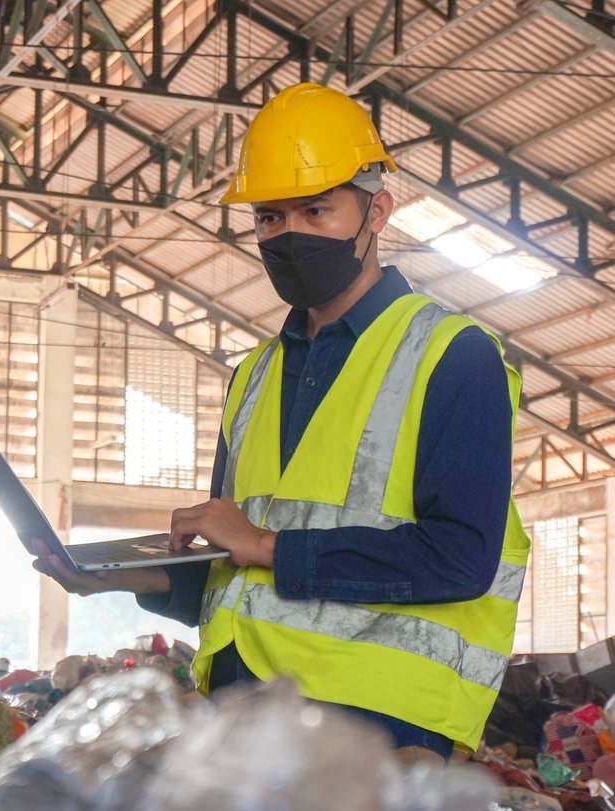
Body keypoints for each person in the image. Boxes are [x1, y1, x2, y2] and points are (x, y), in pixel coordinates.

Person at [34, 83, 530, 761]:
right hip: (243, 713)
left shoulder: (453, 355)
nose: (289, 234)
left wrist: (266, 545)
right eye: (269, 217)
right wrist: (111, 574)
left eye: (316, 210)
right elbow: (233, 571)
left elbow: (461, 559)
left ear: (377, 211)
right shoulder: (254, 376)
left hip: (372, 723)